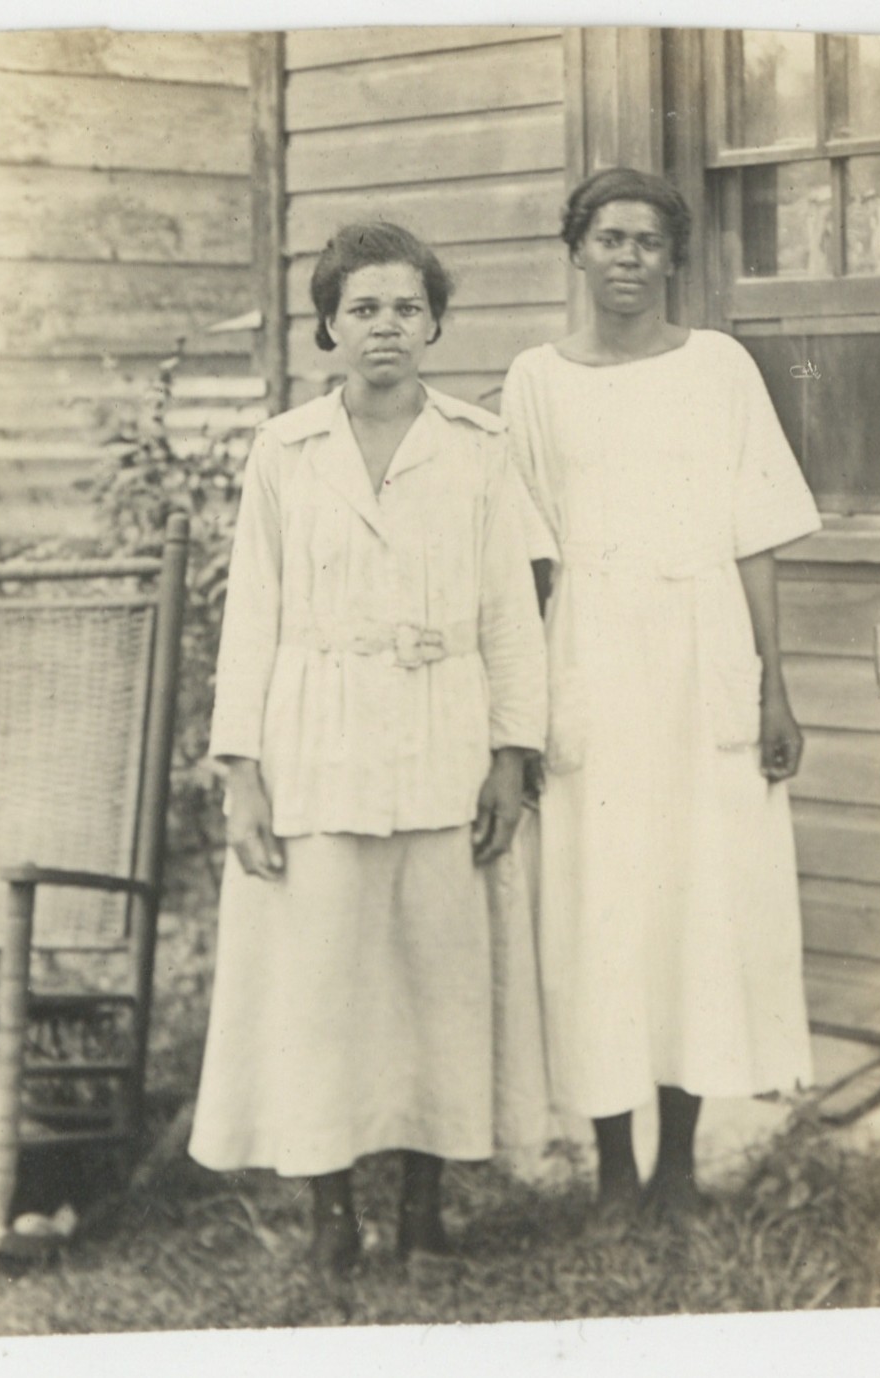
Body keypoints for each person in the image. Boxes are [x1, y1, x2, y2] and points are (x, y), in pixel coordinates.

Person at [188, 223, 547, 1274]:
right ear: (327, 328)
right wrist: (241, 773)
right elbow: (249, 614)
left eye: (404, 307)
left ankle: (426, 1210)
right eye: (361, 309)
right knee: (322, 985)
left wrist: (510, 756)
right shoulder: (285, 450)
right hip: (316, 746)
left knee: (438, 979)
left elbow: (506, 614)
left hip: (441, 738)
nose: (383, 327)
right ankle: (331, 1209)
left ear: (434, 321)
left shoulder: (479, 446)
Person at [501, 167, 822, 1221]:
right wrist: (520, 708)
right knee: (598, 906)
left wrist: (774, 686)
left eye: (646, 241)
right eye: (607, 238)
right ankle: (609, 1171)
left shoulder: (719, 368)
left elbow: (757, 536)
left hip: (701, 657)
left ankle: (677, 1163)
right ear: (576, 252)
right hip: (588, 653)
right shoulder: (535, 380)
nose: (627, 258)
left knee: (692, 900)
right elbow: (524, 566)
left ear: (672, 257)